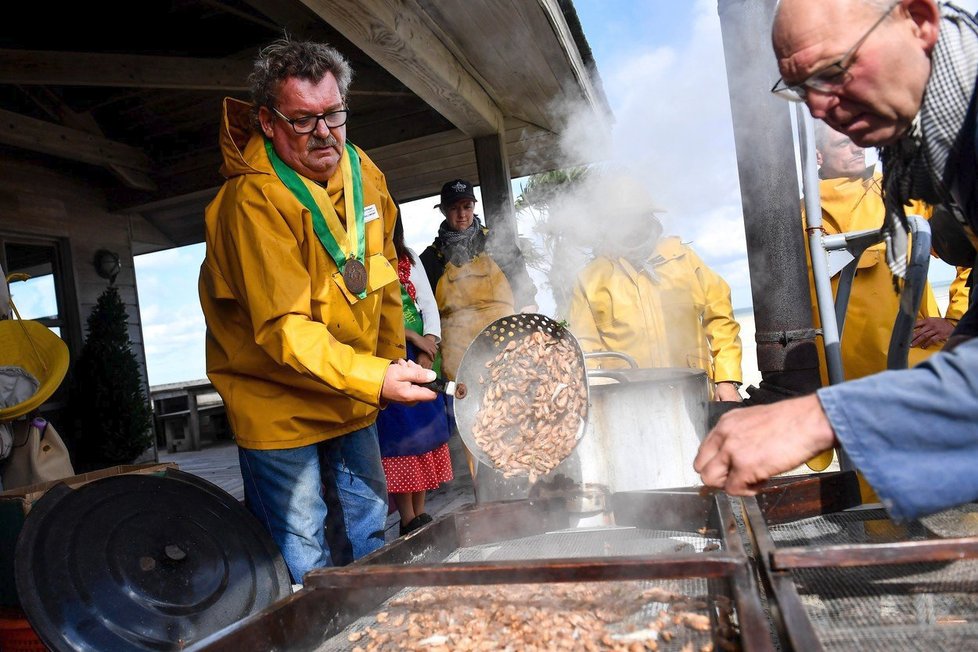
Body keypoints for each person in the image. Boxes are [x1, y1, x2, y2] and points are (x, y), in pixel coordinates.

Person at [695, 0, 978, 522]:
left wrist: (824, 416)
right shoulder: (939, 154)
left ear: (919, 19)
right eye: (802, 90)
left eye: (833, 70)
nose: (820, 109)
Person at [198, 37, 437, 585]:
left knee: (372, 533)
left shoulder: (364, 173)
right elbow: (284, 329)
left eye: (333, 113)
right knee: (303, 555)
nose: (324, 132)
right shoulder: (250, 202)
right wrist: (376, 376)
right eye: (303, 120)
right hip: (278, 405)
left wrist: (386, 370)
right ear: (267, 120)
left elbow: (379, 288)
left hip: (351, 395)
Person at [808, 121, 970, 381]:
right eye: (843, 143)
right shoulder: (801, 218)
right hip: (838, 377)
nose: (858, 148)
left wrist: (957, 319)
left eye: (857, 138)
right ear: (818, 155)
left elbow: (971, 246)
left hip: (915, 363)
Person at [567, 184, 743, 402]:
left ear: (649, 217)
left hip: (694, 395)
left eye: (636, 217)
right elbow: (586, 352)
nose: (630, 227)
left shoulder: (684, 259)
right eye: (622, 219)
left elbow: (721, 320)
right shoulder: (591, 278)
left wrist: (726, 380)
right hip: (628, 403)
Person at [377, 211, 454, 537]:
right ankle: (408, 519)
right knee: (399, 441)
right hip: (389, 359)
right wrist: (412, 337)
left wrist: (428, 345)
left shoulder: (408, 257)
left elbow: (428, 306)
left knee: (426, 434)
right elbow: (377, 314)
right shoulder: (363, 259)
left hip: (422, 358)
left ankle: (420, 513)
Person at [419, 179, 538, 381]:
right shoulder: (430, 259)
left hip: (507, 345)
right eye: (454, 208)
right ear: (443, 211)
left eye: (467, 207)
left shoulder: (499, 243)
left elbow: (524, 290)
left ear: (474, 207)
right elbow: (425, 312)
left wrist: (529, 317)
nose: (462, 214)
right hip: (458, 358)